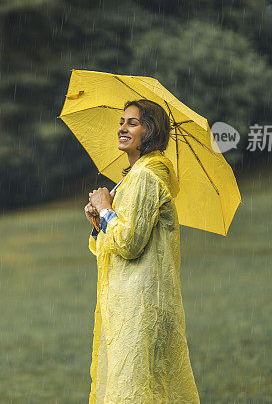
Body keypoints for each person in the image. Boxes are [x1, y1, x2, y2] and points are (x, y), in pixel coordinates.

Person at [84, 99, 200, 403]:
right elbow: (112, 243)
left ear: (150, 131)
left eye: (132, 123)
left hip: (143, 303)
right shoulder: (132, 178)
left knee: (138, 389)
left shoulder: (147, 177)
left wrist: (107, 209)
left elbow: (131, 243)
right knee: (138, 386)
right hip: (127, 303)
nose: (122, 128)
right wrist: (99, 223)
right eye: (122, 122)